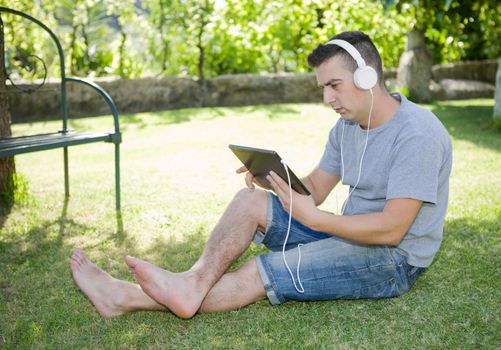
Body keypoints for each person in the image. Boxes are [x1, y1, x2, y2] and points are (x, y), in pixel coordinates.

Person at [70, 31, 452, 319]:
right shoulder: (347, 127)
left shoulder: (417, 134)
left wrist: (315, 219)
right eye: (323, 88)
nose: (327, 99)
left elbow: (391, 230)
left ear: (368, 77)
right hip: (347, 230)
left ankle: (123, 297)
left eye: (334, 85)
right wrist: (274, 178)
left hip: (393, 260)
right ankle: (191, 284)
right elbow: (315, 189)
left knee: (259, 270)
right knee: (249, 200)